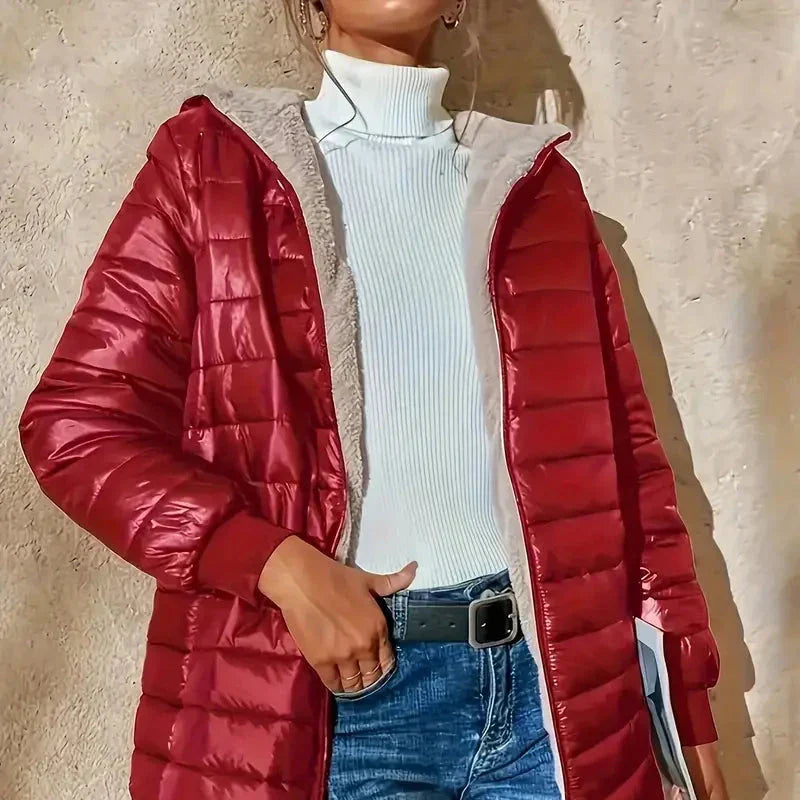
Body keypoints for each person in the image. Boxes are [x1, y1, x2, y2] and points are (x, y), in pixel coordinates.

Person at [18, 1, 730, 799]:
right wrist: (275, 564)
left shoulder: (535, 186)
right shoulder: (212, 164)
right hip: (336, 700)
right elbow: (76, 426)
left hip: (551, 702)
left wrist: (684, 711)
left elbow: (628, 469)